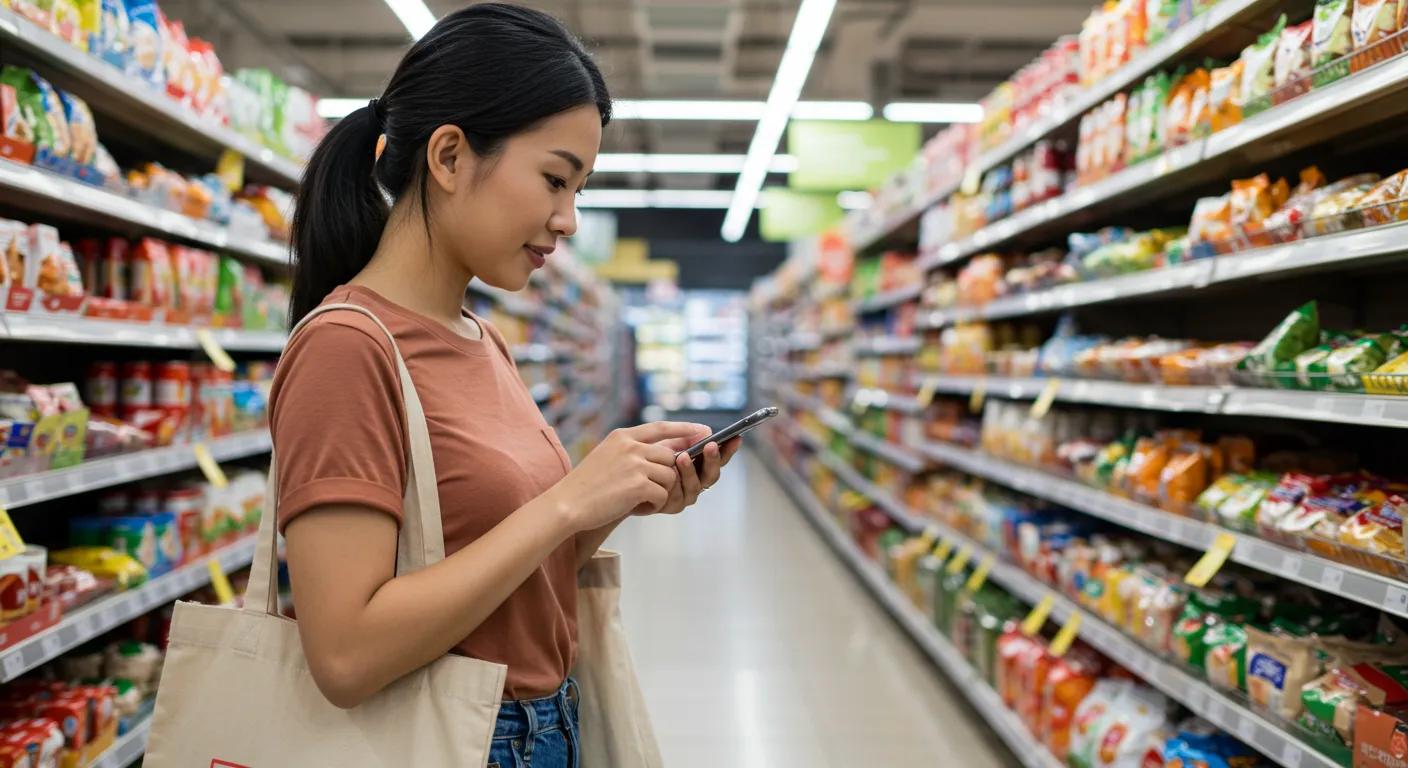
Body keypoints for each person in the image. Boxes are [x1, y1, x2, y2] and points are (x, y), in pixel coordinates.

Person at [270, 5, 739, 767]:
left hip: (543, 728)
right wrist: (564, 503)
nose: (569, 220)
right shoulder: (347, 349)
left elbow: (510, 570)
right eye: (556, 179)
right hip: (451, 741)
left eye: (579, 188)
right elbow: (345, 657)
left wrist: (618, 495)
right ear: (450, 157)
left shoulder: (481, 337)